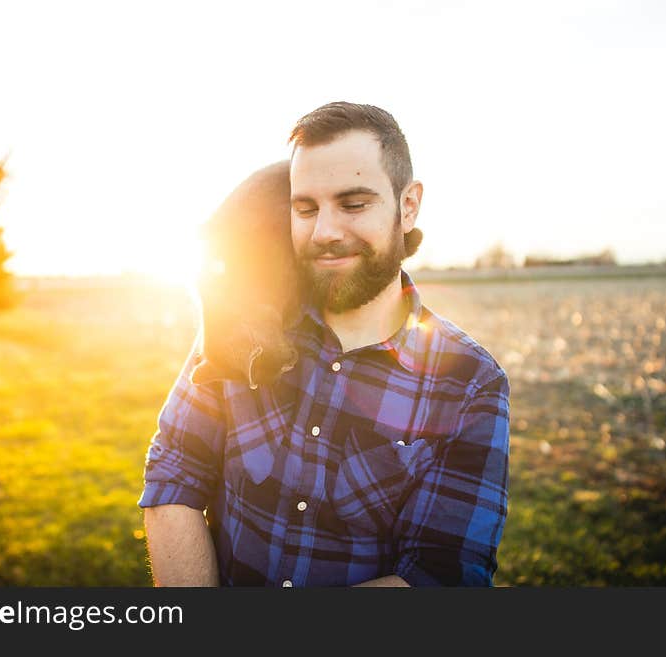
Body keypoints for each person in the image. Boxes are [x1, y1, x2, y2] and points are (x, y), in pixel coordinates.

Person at [139, 101, 511, 587]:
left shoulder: (470, 384)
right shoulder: (244, 331)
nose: (325, 232)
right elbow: (174, 474)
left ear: (409, 205)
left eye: (354, 204)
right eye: (306, 208)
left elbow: (440, 576)